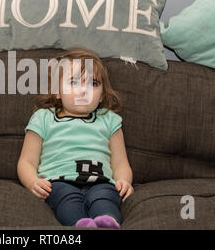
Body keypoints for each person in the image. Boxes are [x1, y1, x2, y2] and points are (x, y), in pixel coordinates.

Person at [17, 49, 133, 228]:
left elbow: (120, 164)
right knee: (67, 199)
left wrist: (123, 181)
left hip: (100, 181)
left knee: (105, 197)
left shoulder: (109, 120)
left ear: (102, 95)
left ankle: (108, 221)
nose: (83, 90)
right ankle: (80, 225)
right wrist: (32, 182)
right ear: (57, 91)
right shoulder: (44, 117)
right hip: (57, 182)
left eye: (93, 84)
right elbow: (27, 161)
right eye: (73, 82)